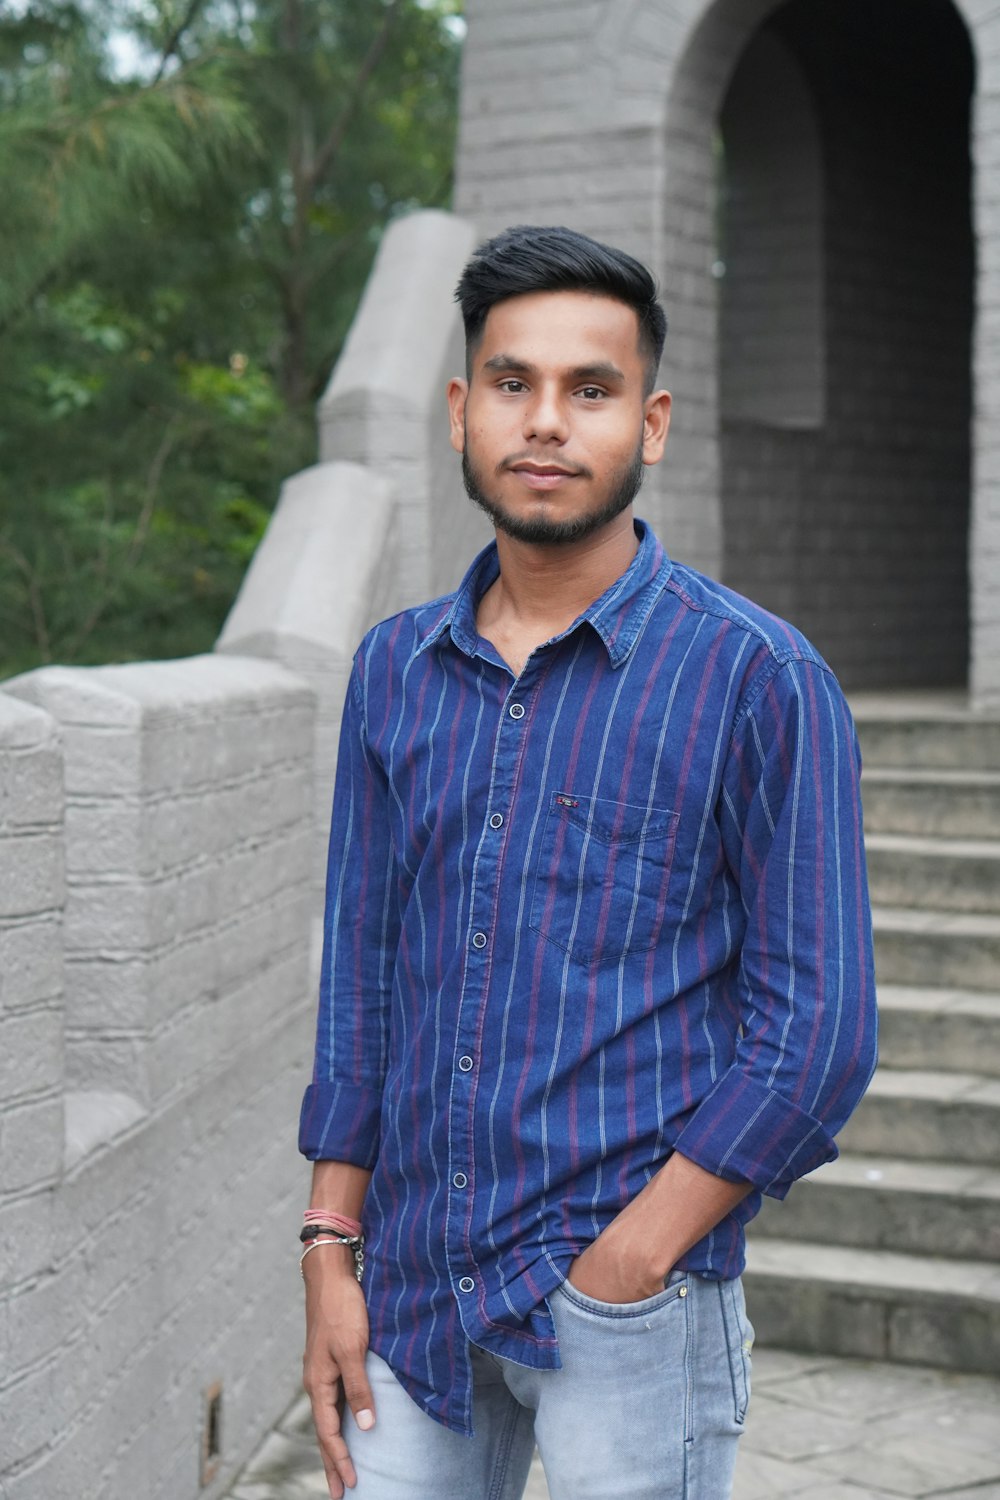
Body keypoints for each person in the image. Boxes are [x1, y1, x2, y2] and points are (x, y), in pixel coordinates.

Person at [298, 224, 878, 1500]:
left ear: (651, 425)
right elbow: (362, 984)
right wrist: (330, 1246)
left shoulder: (755, 679)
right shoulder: (394, 668)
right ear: (461, 411)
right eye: (512, 383)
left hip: (625, 1307)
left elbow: (817, 1031)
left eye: (591, 389)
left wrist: (632, 1259)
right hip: (411, 1291)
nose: (545, 421)